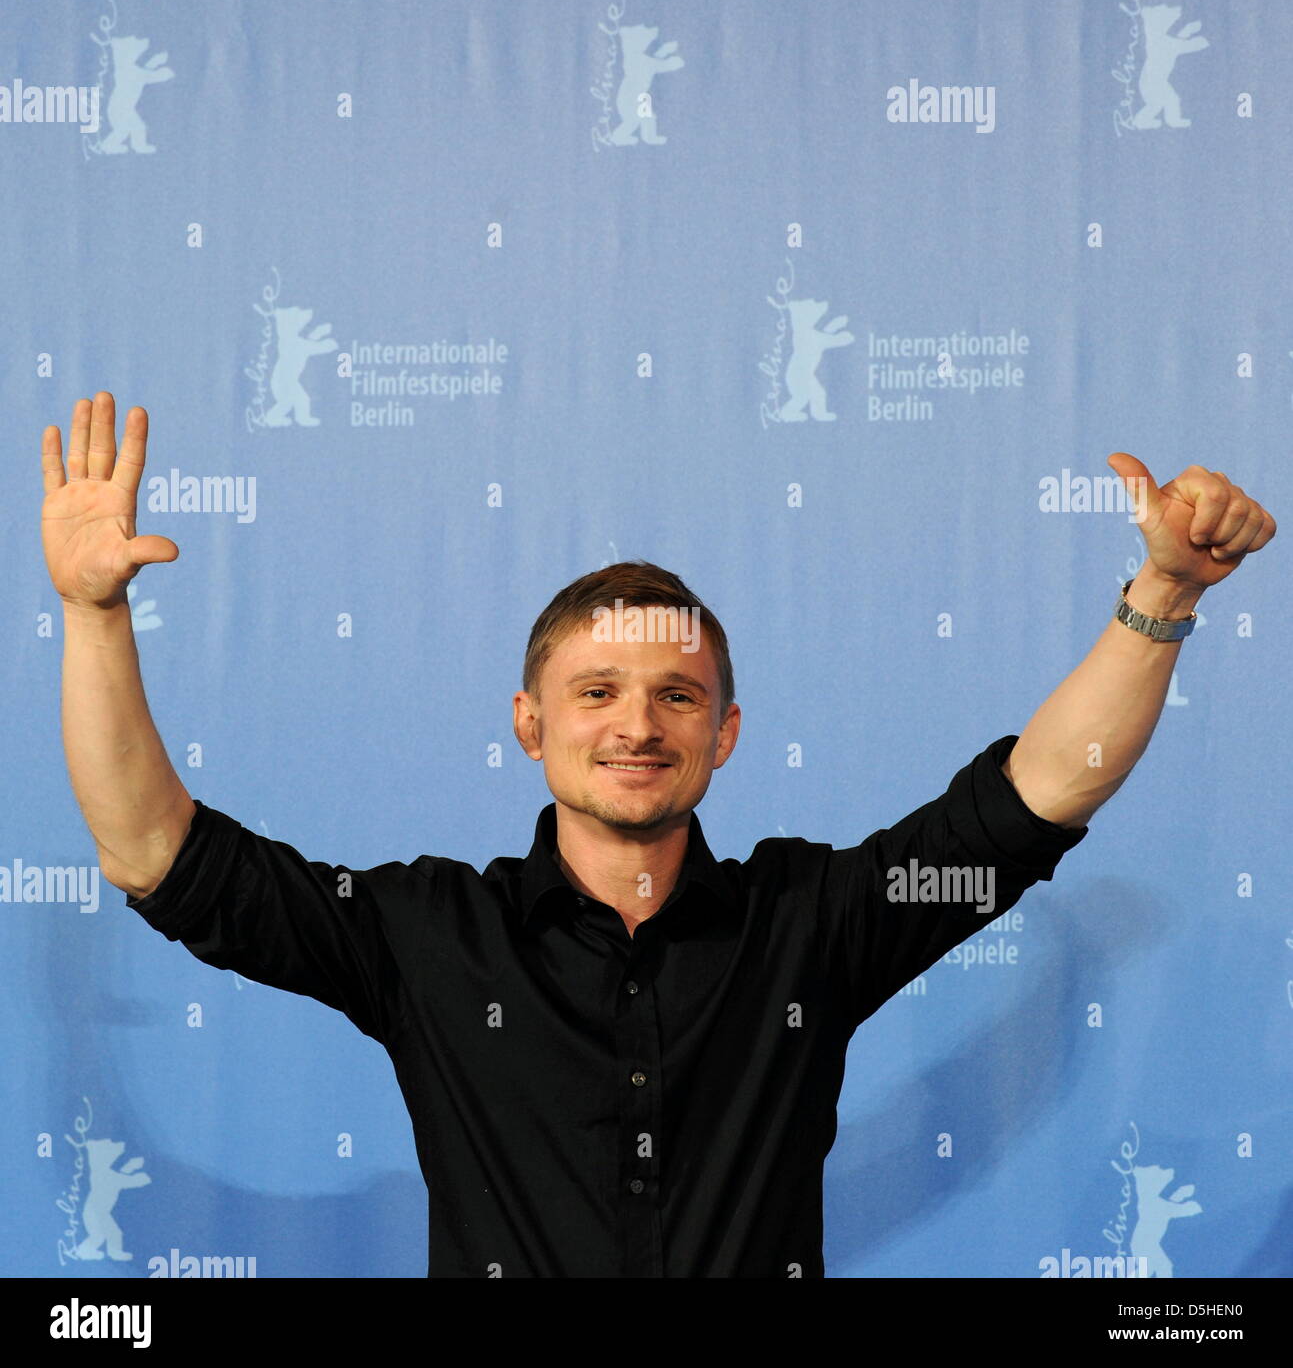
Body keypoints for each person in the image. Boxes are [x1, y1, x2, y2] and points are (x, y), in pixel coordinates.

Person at [42, 392, 1276, 1278]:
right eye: (597, 693)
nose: (638, 725)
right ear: (530, 723)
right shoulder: (427, 935)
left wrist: (1161, 596)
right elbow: (156, 849)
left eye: (676, 695)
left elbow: (1042, 795)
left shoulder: (810, 926)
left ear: (726, 732)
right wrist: (92, 617)